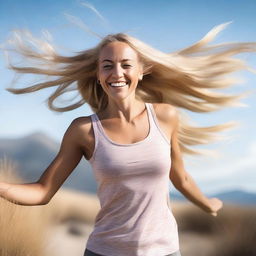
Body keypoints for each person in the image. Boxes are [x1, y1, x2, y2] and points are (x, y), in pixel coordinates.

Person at [0, 22, 255, 256]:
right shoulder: (84, 130)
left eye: (126, 64)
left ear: (142, 71)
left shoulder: (165, 116)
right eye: (107, 65)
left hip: (164, 250)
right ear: (98, 75)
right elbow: (43, 192)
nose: (117, 73)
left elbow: (180, 176)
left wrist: (207, 203)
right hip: (105, 250)